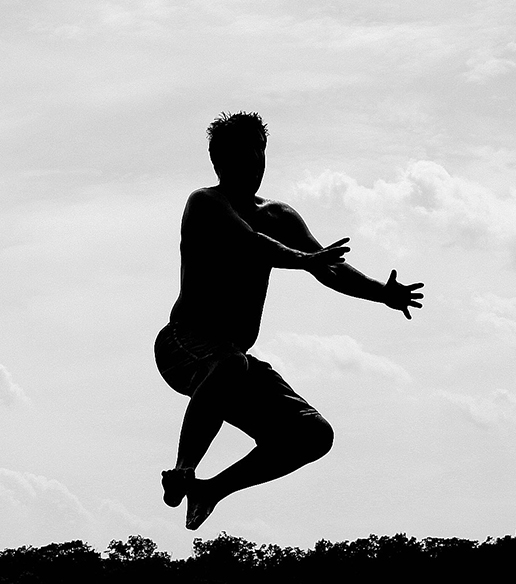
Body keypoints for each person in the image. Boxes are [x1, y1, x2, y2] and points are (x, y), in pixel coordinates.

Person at [154, 111, 424, 530]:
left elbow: (328, 267)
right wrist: (303, 260)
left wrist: (382, 293)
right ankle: (183, 470)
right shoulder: (205, 204)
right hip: (183, 344)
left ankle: (209, 491)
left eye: (259, 154)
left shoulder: (280, 216)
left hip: (233, 359)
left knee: (312, 434)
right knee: (229, 363)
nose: (253, 165)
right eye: (241, 157)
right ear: (218, 163)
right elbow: (251, 244)